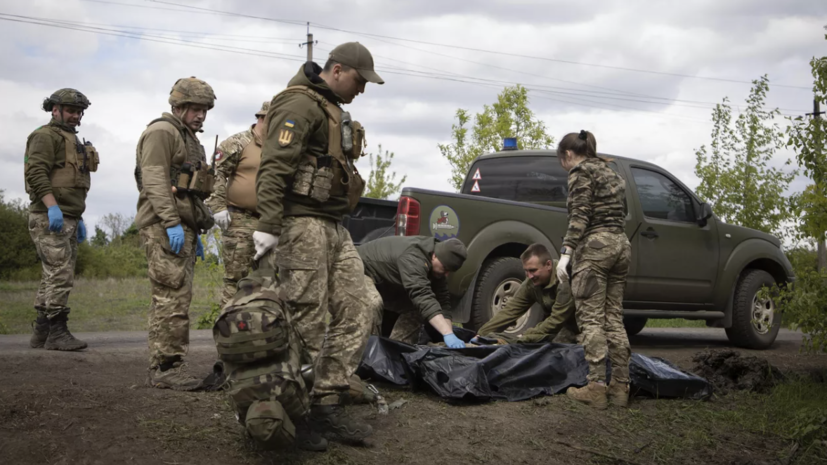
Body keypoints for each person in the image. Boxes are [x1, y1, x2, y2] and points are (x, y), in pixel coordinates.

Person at [252, 42, 384, 441]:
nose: (362, 89)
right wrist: (269, 224)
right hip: (301, 223)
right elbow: (274, 166)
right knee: (306, 319)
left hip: (332, 224)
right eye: (360, 80)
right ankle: (297, 412)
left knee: (363, 303)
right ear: (338, 70)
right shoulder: (300, 104)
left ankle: (327, 396)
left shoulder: (332, 110)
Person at [135, 77, 217, 390]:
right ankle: (167, 368)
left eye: (204, 110)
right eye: (194, 108)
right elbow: (154, 180)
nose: (200, 115)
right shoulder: (162, 131)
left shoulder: (188, 138)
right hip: (164, 225)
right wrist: (170, 223)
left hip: (183, 225)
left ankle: (166, 365)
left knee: (176, 297)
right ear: (178, 106)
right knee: (170, 299)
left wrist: (196, 224)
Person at [556, 130, 632, 409]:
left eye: (561, 160)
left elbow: (580, 214)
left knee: (591, 319)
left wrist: (566, 253)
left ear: (567, 154)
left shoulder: (580, 172)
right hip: (621, 245)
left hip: (596, 249)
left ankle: (596, 388)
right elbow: (620, 213)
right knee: (613, 317)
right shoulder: (612, 172)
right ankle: (620, 388)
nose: (563, 167)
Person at [24, 88, 98, 351]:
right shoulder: (45, 136)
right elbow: (36, 172)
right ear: (55, 109)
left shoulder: (71, 139)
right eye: (70, 110)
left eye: (79, 111)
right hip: (49, 215)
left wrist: (74, 217)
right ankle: (57, 332)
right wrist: (52, 207)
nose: (76, 116)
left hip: (68, 216)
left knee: (52, 275)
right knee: (60, 273)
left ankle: (42, 332)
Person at [207, 101, 270, 307]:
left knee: (268, 279)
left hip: (270, 222)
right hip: (240, 220)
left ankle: (258, 331)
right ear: (261, 118)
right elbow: (216, 172)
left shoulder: (280, 147)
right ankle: (228, 331)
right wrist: (218, 207)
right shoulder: (238, 142)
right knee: (236, 279)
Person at [358, 236, 468, 347]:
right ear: (434, 256)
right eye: (445, 268)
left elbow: (443, 301)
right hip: (360, 270)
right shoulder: (414, 257)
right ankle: (367, 350)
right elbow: (421, 295)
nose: (446, 274)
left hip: (384, 280)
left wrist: (449, 334)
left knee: (417, 309)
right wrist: (447, 333)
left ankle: (398, 349)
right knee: (372, 302)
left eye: (449, 271)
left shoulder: (437, 265)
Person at [473, 243, 579, 344]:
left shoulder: (564, 280)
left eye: (533, 270)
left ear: (548, 265)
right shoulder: (531, 283)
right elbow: (511, 311)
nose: (529, 276)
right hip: (564, 326)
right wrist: (482, 334)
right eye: (526, 271)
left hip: (585, 325)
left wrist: (525, 336)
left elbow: (557, 320)